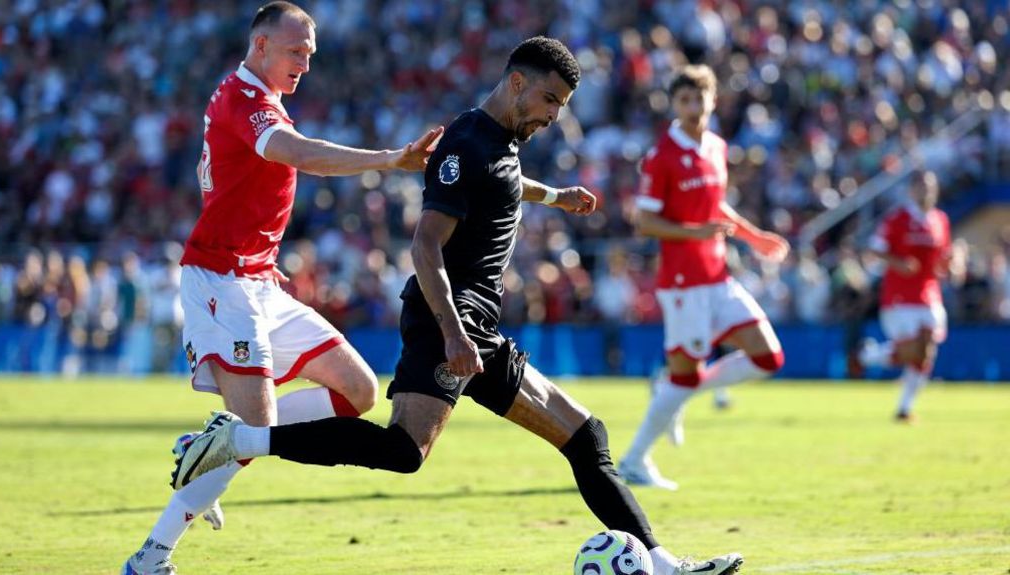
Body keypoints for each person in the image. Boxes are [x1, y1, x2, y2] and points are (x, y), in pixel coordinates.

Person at [169, 37, 743, 575]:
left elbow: (504, 181)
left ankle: (665, 565)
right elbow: (425, 244)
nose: (555, 115)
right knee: (402, 451)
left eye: (563, 104)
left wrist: (554, 196)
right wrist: (451, 331)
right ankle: (238, 439)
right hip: (450, 320)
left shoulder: (501, 142)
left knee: (586, 437)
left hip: (478, 327)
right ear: (517, 83)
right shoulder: (465, 144)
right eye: (549, 99)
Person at [122, 3, 443, 574]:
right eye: (296, 51)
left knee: (358, 390)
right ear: (261, 45)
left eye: (311, 55)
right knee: (257, 433)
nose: (305, 64)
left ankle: (219, 441)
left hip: (256, 279)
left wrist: (262, 257)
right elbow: (299, 155)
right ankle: (153, 554)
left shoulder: (258, 102)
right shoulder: (243, 100)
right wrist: (391, 159)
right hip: (221, 282)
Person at [617, 65, 788, 490]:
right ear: (674, 105)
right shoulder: (662, 157)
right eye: (684, 100)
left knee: (769, 356)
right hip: (682, 282)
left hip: (717, 275)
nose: (693, 107)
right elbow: (646, 222)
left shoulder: (715, 147)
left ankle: (672, 391)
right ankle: (635, 460)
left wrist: (754, 237)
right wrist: (692, 232)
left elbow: (717, 208)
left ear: (713, 101)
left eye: (699, 99)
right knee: (686, 375)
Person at [856, 170, 951, 422]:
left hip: (930, 292)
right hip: (899, 294)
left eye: (930, 187)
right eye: (921, 187)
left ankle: (904, 407)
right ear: (911, 190)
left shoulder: (940, 220)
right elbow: (875, 249)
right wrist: (898, 262)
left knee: (926, 351)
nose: (926, 192)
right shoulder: (897, 219)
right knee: (914, 350)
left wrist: (952, 264)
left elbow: (942, 258)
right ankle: (869, 356)